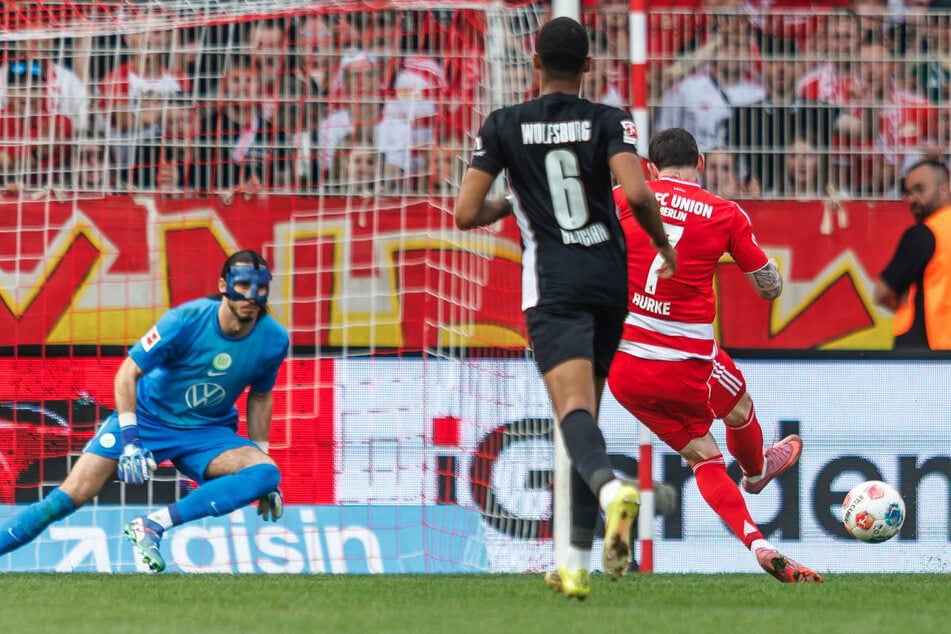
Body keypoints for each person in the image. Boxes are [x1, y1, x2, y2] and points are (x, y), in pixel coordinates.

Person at [454, 16, 676, 599]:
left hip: (552, 284)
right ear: (587, 68)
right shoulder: (609, 119)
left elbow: (465, 213)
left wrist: (516, 199)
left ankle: (610, 493)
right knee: (583, 418)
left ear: (534, 66)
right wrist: (662, 244)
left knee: (572, 409)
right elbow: (636, 193)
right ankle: (574, 563)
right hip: (608, 278)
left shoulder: (503, 124)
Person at [607, 127, 824, 584]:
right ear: (700, 163)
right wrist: (764, 270)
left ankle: (758, 542)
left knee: (703, 456)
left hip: (623, 367)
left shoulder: (623, 198)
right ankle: (757, 470)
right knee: (740, 403)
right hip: (684, 360)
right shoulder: (724, 213)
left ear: (650, 168)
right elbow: (770, 289)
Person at [0, 250, 289, 573]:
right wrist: (131, 439)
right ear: (224, 284)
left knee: (266, 473)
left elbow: (261, 397)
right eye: (244, 284)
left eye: (261, 287)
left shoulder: (275, 340)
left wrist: (263, 466)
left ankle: (152, 525)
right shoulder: (184, 320)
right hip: (148, 419)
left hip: (206, 433)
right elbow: (127, 373)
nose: (252, 295)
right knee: (63, 500)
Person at [874, 159, 951, 349]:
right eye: (908, 192)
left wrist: (904, 300)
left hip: (925, 350)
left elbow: (882, 292)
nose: (913, 198)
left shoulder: (924, 234)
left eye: (920, 189)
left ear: (943, 189)